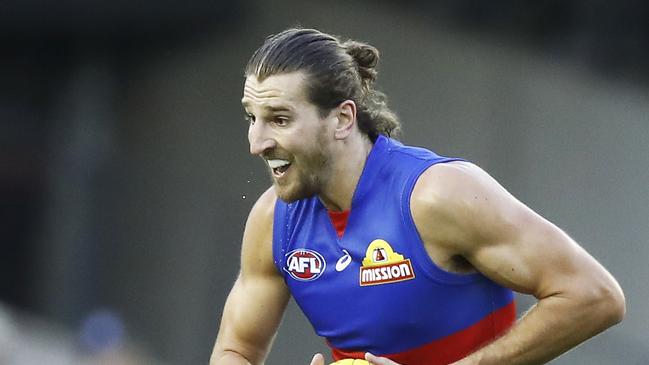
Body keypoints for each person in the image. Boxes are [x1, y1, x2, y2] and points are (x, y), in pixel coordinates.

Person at [210, 28, 625, 365]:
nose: (257, 142)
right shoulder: (274, 221)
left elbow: (593, 295)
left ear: (342, 118)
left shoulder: (436, 196)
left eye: (279, 119)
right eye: (253, 118)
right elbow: (236, 350)